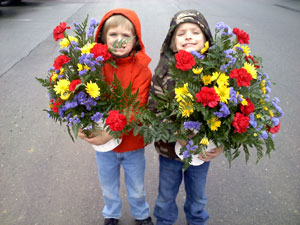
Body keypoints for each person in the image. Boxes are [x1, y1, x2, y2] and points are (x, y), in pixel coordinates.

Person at [148, 10, 224, 225]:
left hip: (202, 153)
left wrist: (221, 144)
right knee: (165, 195)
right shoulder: (163, 74)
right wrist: (177, 134)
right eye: (181, 33)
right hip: (169, 151)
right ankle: (164, 220)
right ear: (172, 44)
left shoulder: (218, 74)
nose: (189, 37)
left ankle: (197, 220)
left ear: (207, 39)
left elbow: (228, 114)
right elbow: (154, 111)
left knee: (198, 196)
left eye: (195, 32)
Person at [78, 8, 153, 225]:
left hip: (132, 143)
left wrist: (107, 134)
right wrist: (84, 124)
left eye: (125, 36)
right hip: (104, 148)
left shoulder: (142, 70)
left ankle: (141, 214)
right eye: (113, 35)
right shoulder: (93, 66)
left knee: (137, 187)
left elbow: (137, 107)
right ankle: (111, 214)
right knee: (108, 186)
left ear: (135, 39)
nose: (119, 41)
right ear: (102, 37)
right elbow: (84, 100)